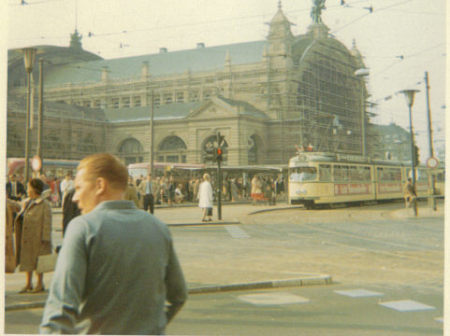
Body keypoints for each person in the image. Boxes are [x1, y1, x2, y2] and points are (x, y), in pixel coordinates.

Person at [40, 153, 187, 334]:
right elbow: (179, 295)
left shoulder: (83, 227)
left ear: (100, 185)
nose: (74, 197)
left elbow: (60, 311)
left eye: (79, 187)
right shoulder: (158, 227)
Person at [14, 178, 52, 293]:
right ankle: (28, 284)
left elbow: (47, 222)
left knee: (39, 261)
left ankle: (40, 284)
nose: (27, 189)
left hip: (38, 238)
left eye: (29, 187)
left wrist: (45, 238)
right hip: (27, 237)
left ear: (35, 189)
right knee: (27, 260)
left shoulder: (44, 204)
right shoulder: (27, 202)